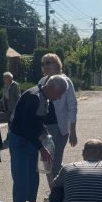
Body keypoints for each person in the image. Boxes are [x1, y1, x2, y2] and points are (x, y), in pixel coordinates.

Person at [7, 74, 68, 202]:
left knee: (33, 177)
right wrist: (41, 147)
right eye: (60, 93)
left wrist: (46, 136)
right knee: (20, 179)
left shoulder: (45, 97)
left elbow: (37, 122)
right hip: (20, 140)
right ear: (51, 87)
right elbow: (26, 127)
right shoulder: (34, 97)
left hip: (30, 141)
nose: (60, 97)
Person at [38, 53, 78, 186]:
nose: (45, 66)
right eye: (43, 63)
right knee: (47, 161)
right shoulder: (41, 82)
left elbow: (72, 106)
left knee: (55, 161)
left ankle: (59, 188)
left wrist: (73, 131)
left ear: (57, 64)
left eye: (48, 62)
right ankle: (54, 189)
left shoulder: (65, 81)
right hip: (45, 128)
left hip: (60, 127)